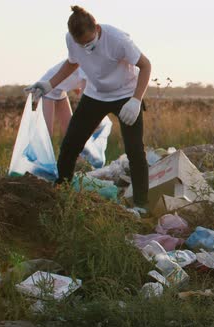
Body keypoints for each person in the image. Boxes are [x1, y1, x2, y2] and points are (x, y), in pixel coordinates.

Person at [25, 5, 152, 209]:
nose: (86, 47)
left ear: (97, 29)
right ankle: (62, 193)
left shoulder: (118, 40)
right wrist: (50, 84)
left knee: (135, 150)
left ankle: (141, 205)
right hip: (95, 95)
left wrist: (136, 100)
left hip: (125, 95)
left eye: (89, 42)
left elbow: (145, 65)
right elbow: (72, 63)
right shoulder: (71, 39)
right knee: (70, 145)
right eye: (81, 44)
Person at [35, 60, 86, 137]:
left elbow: (74, 81)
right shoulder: (87, 64)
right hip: (46, 89)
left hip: (60, 91)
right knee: (46, 134)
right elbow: (84, 97)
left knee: (70, 133)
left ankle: (70, 149)